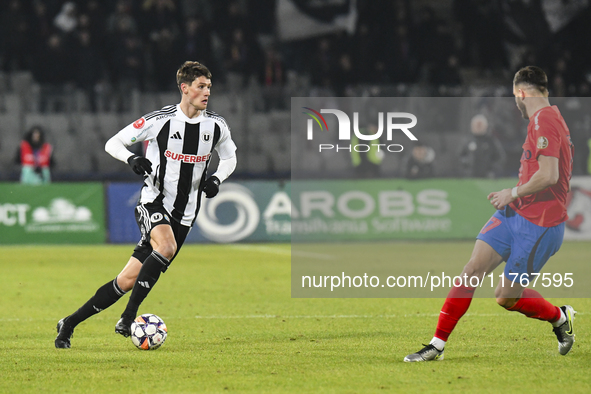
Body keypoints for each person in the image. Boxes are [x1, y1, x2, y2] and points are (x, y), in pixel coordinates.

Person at [55, 61, 237, 348]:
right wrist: (131, 158)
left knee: (126, 280)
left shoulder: (215, 126)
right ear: (184, 88)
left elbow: (230, 158)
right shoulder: (160, 120)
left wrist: (216, 179)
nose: (207, 93)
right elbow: (113, 143)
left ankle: (69, 323)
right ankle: (128, 317)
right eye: (201, 87)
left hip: (186, 215)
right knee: (165, 247)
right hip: (153, 201)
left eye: (209, 87)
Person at [404, 66, 576, 362]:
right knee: (471, 270)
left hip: (540, 224)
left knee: (505, 297)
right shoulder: (543, 118)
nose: (515, 103)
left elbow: (549, 175)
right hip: (516, 214)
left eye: (514, 96)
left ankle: (559, 318)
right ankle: (437, 345)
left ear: (521, 92)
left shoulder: (546, 120)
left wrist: (513, 192)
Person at [459, 114, 506, 178]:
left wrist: (493, 171)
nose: (478, 127)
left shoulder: (491, 141)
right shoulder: (467, 141)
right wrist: (466, 167)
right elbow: (459, 157)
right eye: (476, 126)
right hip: (469, 177)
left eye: (480, 126)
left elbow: (500, 157)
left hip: (487, 177)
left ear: (485, 126)